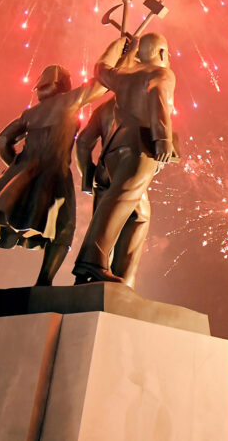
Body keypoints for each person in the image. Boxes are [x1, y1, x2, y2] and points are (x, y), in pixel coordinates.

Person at [0, 42, 122, 296]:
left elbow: (3, 139)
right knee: (62, 229)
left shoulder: (30, 113)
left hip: (22, 170)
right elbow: (102, 84)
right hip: (54, 173)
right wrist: (120, 55)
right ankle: (44, 283)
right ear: (63, 84)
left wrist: (15, 166)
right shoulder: (69, 101)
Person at [72, 32, 177, 284]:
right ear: (162, 53)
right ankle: (92, 261)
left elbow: (101, 69)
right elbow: (158, 96)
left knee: (139, 213)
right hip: (139, 147)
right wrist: (163, 139)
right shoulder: (162, 73)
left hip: (111, 153)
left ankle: (121, 279)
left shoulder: (122, 77)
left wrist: (121, 47)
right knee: (121, 201)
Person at [75, 95, 152, 288]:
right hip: (127, 163)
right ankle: (122, 282)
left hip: (103, 169)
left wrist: (87, 175)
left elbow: (83, 141)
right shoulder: (143, 97)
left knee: (104, 218)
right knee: (139, 216)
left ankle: (86, 279)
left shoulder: (103, 108)